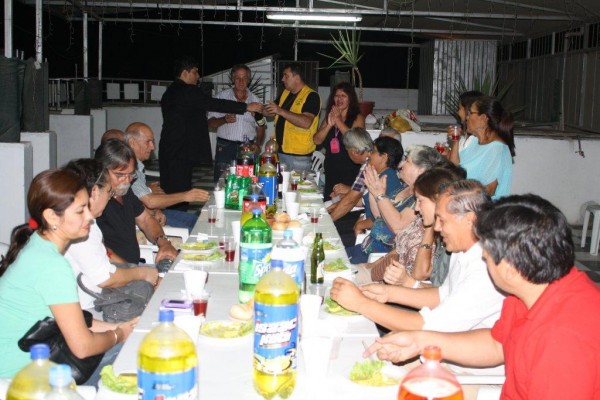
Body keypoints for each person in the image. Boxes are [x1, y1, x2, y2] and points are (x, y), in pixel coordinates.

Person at [365, 194, 600, 399]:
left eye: (486, 257)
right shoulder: (529, 290)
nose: (483, 260)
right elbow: (496, 345)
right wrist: (420, 341)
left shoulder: (565, 339)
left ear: (510, 269)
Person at [0, 169, 136, 384]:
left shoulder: (38, 245)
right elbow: (82, 347)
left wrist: (126, 326)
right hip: (21, 375)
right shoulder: (52, 265)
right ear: (52, 216)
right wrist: (119, 335)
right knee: (139, 359)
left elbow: (69, 320)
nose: (89, 217)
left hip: (33, 358)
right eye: (81, 210)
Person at [331, 180, 505, 344]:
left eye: (442, 220)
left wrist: (362, 304)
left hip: (466, 366)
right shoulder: (465, 249)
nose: (436, 227)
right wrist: (388, 292)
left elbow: (432, 326)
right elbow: (443, 295)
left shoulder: (486, 269)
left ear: (470, 219)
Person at [159, 56, 263, 210]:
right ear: (186, 73)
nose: (198, 77)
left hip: (170, 150)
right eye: (195, 72)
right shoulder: (188, 91)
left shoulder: (170, 92)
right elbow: (214, 104)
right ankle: (177, 223)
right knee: (180, 193)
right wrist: (245, 107)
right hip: (179, 153)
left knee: (172, 192)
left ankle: (172, 221)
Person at [63, 159, 159, 311]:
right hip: (88, 309)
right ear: (94, 192)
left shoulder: (81, 220)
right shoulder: (81, 226)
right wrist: (143, 273)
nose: (109, 197)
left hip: (96, 301)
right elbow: (106, 278)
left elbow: (106, 258)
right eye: (109, 191)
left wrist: (136, 272)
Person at [356, 165, 466, 286]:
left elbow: (420, 275)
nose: (417, 208)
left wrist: (429, 228)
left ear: (437, 200)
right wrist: (370, 267)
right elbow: (398, 248)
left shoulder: (448, 236)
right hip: (384, 279)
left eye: (420, 201)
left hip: (400, 292)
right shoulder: (422, 220)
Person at [95, 139, 179, 264]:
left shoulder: (125, 192)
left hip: (134, 267)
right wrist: (135, 273)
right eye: (120, 175)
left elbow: (146, 220)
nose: (127, 181)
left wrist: (163, 242)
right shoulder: (95, 202)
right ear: (102, 172)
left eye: (131, 175)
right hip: (115, 271)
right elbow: (99, 252)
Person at [125, 122, 208, 232]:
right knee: (193, 231)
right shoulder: (127, 169)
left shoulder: (138, 165)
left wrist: (157, 210)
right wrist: (185, 196)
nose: (152, 147)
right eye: (148, 142)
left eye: (152, 141)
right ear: (132, 143)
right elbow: (150, 201)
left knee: (197, 222)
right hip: (138, 220)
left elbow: (144, 199)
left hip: (151, 212)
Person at [345, 137, 403, 263]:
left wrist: (361, 224)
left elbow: (384, 218)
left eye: (374, 151)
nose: (369, 154)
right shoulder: (380, 175)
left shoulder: (387, 179)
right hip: (367, 227)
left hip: (376, 237)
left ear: (384, 157)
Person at [207, 64, 266, 181]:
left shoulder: (255, 100)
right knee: (222, 181)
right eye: (238, 78)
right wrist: (223, 120)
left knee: (246, 181)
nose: (241, 81)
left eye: (244, 78)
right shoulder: (221, 97)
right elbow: (209, 123)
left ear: (249, 80)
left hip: (248, 147)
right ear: (233, 79)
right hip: (225, 147)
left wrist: (258, 144)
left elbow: (261, 126)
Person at [264, 62, 321, 171]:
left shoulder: (311, 96)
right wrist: (261, 110)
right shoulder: (285, 93)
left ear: (297, 77)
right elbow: (273, 110)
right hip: (280, 152)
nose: (282, 79)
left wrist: (280, 110)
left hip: (299, 157)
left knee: (297, 188)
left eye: (286, 75)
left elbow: (306, 122)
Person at [313, 82, 365, 201]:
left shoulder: (357, 118)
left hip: (350, 169)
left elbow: (355, 141)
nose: (339, 99)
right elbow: (316, 140)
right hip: (331, 170)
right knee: (329, 205)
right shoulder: (330, 116)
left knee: (344, 206)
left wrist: (338, 121)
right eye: (336, 95)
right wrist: (329, 124)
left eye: (343, 96)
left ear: (350, 99)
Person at [458, 96, 515, 199]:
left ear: (484, 118)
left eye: (470, 113)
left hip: (484, 211)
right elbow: (457, 166)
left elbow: (489, 190)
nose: (467, 117)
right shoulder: (474, 142)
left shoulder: (497, 149)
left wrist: (455, 192)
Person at [327, 127, 373, 247]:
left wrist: (328, 220)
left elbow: (351, 200)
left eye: (347, 151)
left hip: (370, 219)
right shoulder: (371, 159)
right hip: (367, 213)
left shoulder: (369, 165)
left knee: (331, 233)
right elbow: (361, 198)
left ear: (353, 151)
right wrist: (339, 202)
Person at [447, 90, 483, 165]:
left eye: (460, 108)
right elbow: (456, 161)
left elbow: (455, 165)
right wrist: (455, 140)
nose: (458, 112)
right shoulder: (465, 137)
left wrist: (455, 140)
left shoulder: (478, 140)